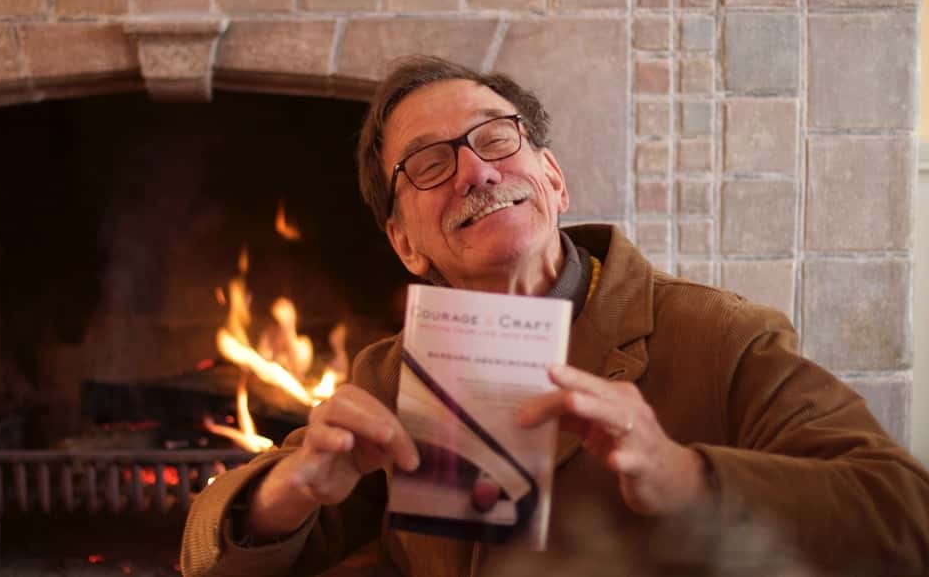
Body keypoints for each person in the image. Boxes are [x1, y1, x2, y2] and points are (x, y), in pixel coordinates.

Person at [181, 56, 929, 576]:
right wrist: (293, 487)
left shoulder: (722, 337)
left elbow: (906, 517)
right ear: (405, 243)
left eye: (496, 137)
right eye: (430, 163)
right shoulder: (391, 374)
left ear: (554, 180)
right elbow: (204, 554)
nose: (476, 170)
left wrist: (686, 479)